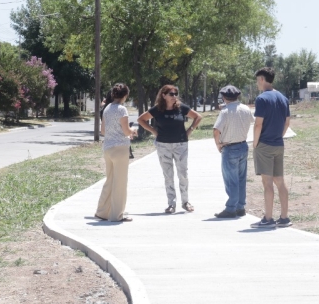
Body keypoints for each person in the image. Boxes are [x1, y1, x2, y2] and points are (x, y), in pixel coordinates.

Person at [137, 84, 202, 213]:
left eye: (176, 94)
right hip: (163, 145)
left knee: (182, 174)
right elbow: (141, 119)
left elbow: (198, 117)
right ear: (164, 95)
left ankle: (185, 201)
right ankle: (171, 204)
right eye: (171, 94)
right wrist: (153, 131)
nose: (174, 97)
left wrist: (190, 130)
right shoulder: (157, 109)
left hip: (180, 144)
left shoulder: (181, 108)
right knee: (168, 175)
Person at [251, 67, 291, 228]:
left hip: (265, 145)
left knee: (267, 183)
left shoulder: (262, 99)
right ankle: (284, 217)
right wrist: (279, 136)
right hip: (278, 144)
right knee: (280, 182)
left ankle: (268, 218)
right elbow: (287, 122)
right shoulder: (283, 98)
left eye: (257, 80)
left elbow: (258, 124)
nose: (257, 84)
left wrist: (255, 143)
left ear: (261, 79)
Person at [95, 83, 137, 222]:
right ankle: (117, 215)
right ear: (125, 95)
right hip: (120, 149)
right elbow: (126, 131)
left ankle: (102, 211)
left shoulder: (107, 108)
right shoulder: (122, 110)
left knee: (110, 180)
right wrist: (133, 131)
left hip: (108, 148)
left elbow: (103, 131)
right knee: (120, 182)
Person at [212, 85, 254, 219]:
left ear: (224, 97)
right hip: (243, 145)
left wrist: (218, 144)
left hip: (229, 147)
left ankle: (230, 208)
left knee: (231, 180)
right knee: (241, 179)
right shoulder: (246, 109)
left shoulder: (225, 112)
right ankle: (240, 207)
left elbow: (216, 130)